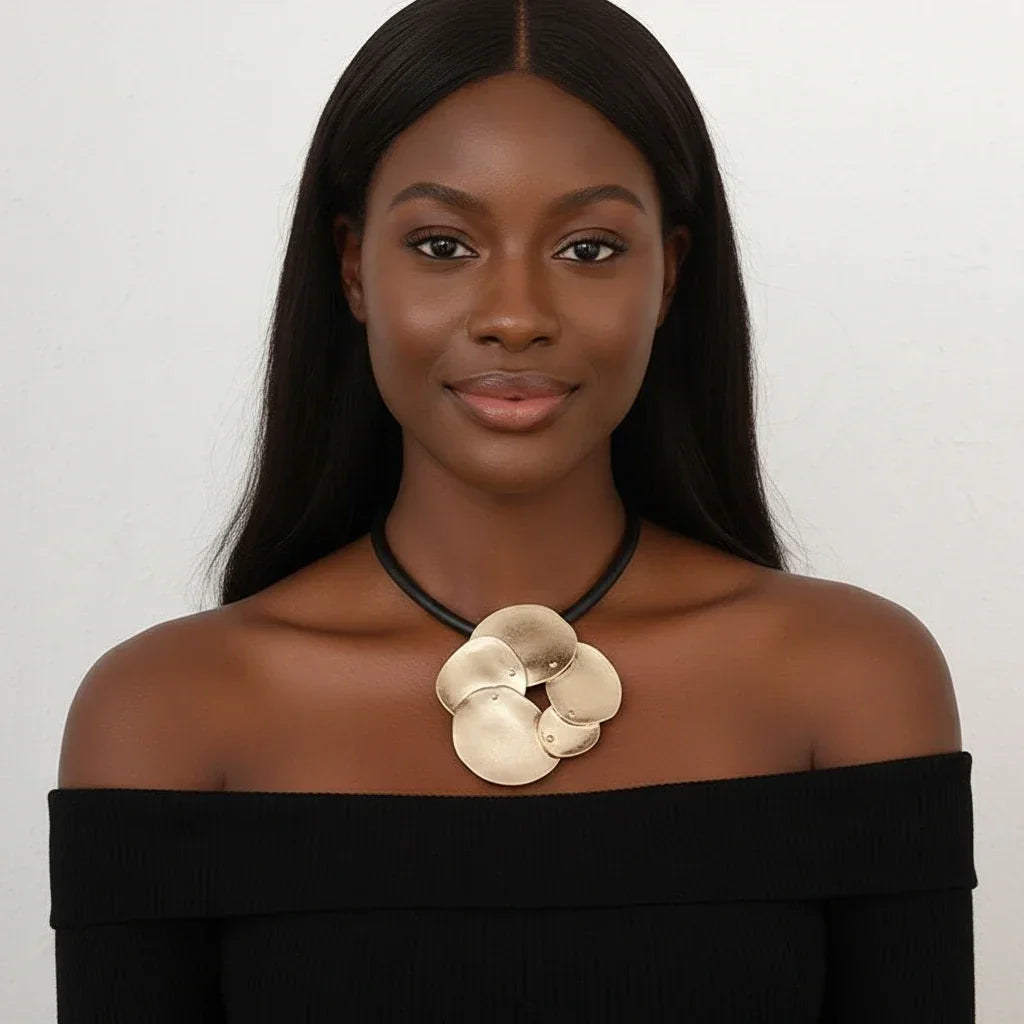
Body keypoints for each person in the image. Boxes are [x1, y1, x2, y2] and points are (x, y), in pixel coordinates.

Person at [46, 0, 977, 1020]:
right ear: (353, 267)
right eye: (444, 244)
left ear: (671, 273)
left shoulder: (850, 683)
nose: (516, 316)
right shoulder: (166, 714)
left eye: (589, 249)